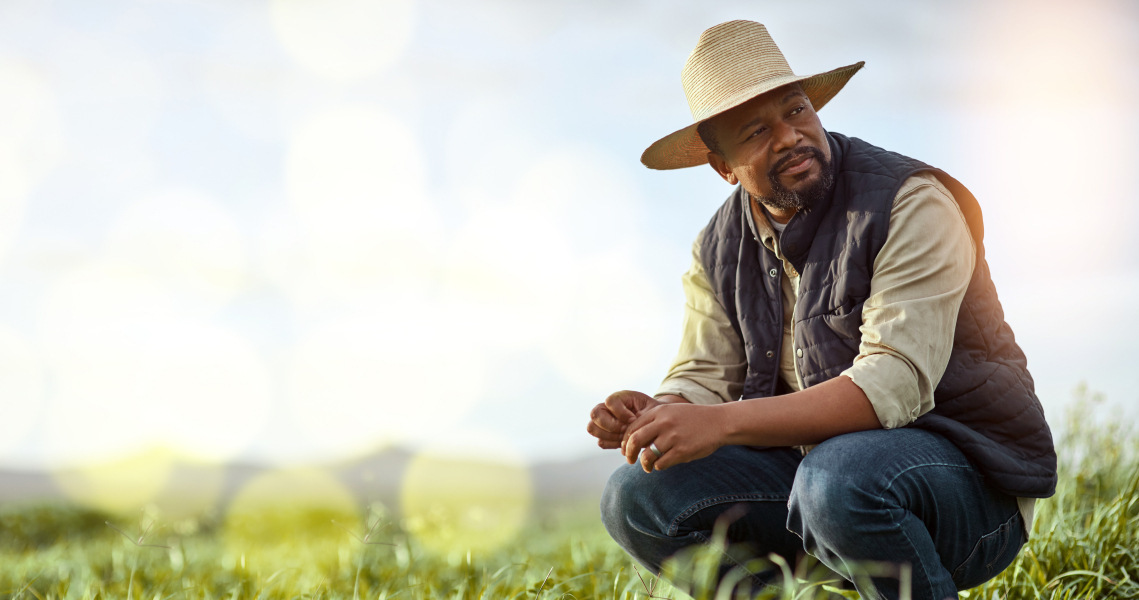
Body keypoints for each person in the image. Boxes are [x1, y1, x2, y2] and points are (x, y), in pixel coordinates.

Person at [586, 20, 1056, 600]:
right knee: (635, 497)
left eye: (797, 111)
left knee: (836, 481)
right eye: (756, 131)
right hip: (815, 484)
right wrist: (659, 413)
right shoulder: (715, 248)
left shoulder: (911, 202)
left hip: (966, 486)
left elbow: (890, 386)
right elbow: (703, 377)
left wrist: (721, 423)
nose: (788, 137)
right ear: (723, 167)